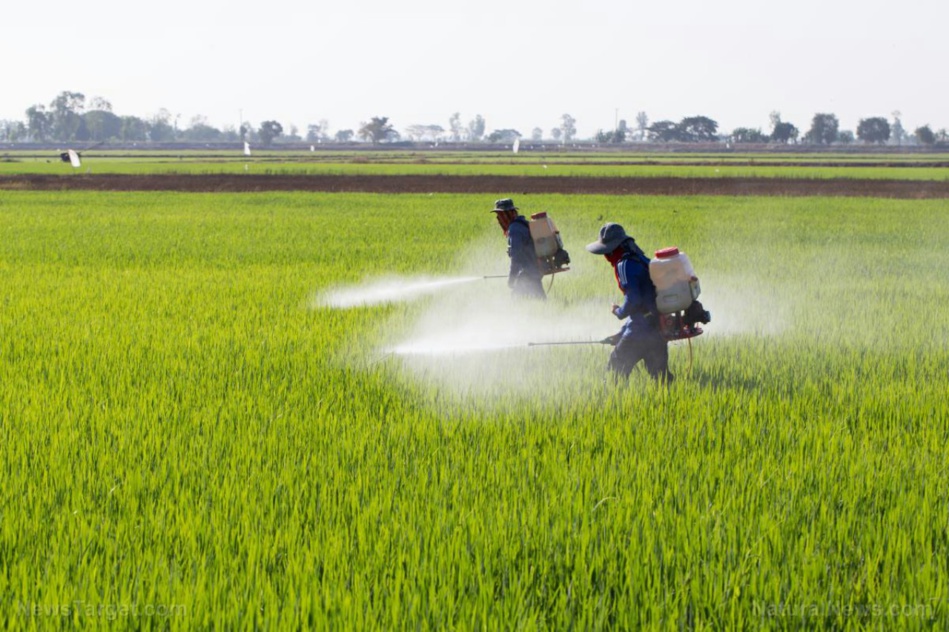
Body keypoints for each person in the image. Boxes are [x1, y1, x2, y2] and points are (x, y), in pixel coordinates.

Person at [586, 222, 674, 383]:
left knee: (614, 377)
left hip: (639, 333)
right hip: (656, 330)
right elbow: (643, 307)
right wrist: (621, 332)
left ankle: (613, 406)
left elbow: (634, 300)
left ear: (612, 250)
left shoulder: (624, 264)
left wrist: (618, 312)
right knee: (662, 380)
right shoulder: (641, 259)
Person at [491, 198, 546, 300]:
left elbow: (515, 257)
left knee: (516, 301)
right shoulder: (522, 223)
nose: (499, 218)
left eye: (500, 215)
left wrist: (511, 278)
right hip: (534, 270)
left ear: (508, 214)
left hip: (527, 272)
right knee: (539, 300)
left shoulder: (514, 229)